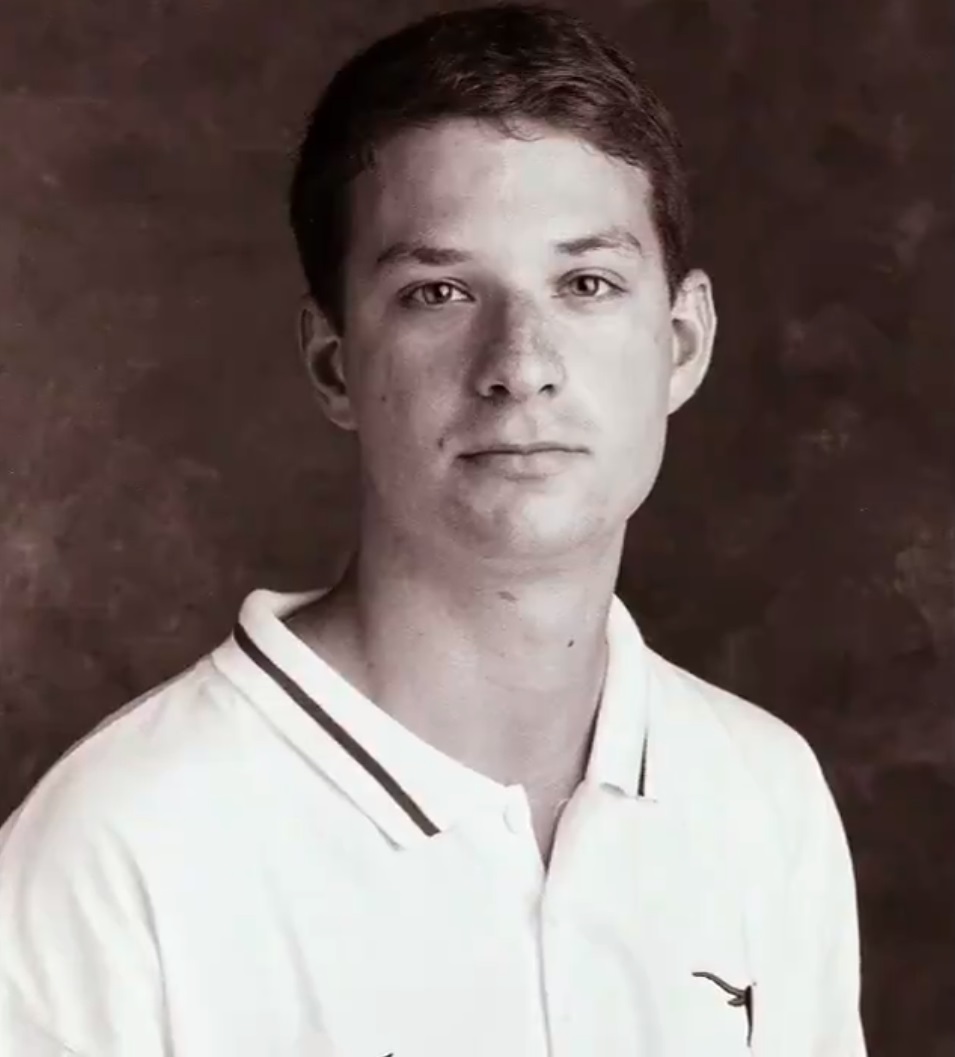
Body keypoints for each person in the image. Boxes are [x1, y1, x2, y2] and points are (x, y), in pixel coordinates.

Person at [0, 4, 867, 1055]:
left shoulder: (763, 800)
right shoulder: (111, 855)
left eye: (585, 283)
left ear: (680, 342)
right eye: (439, 291)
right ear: (334, 363)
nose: (520, 360)